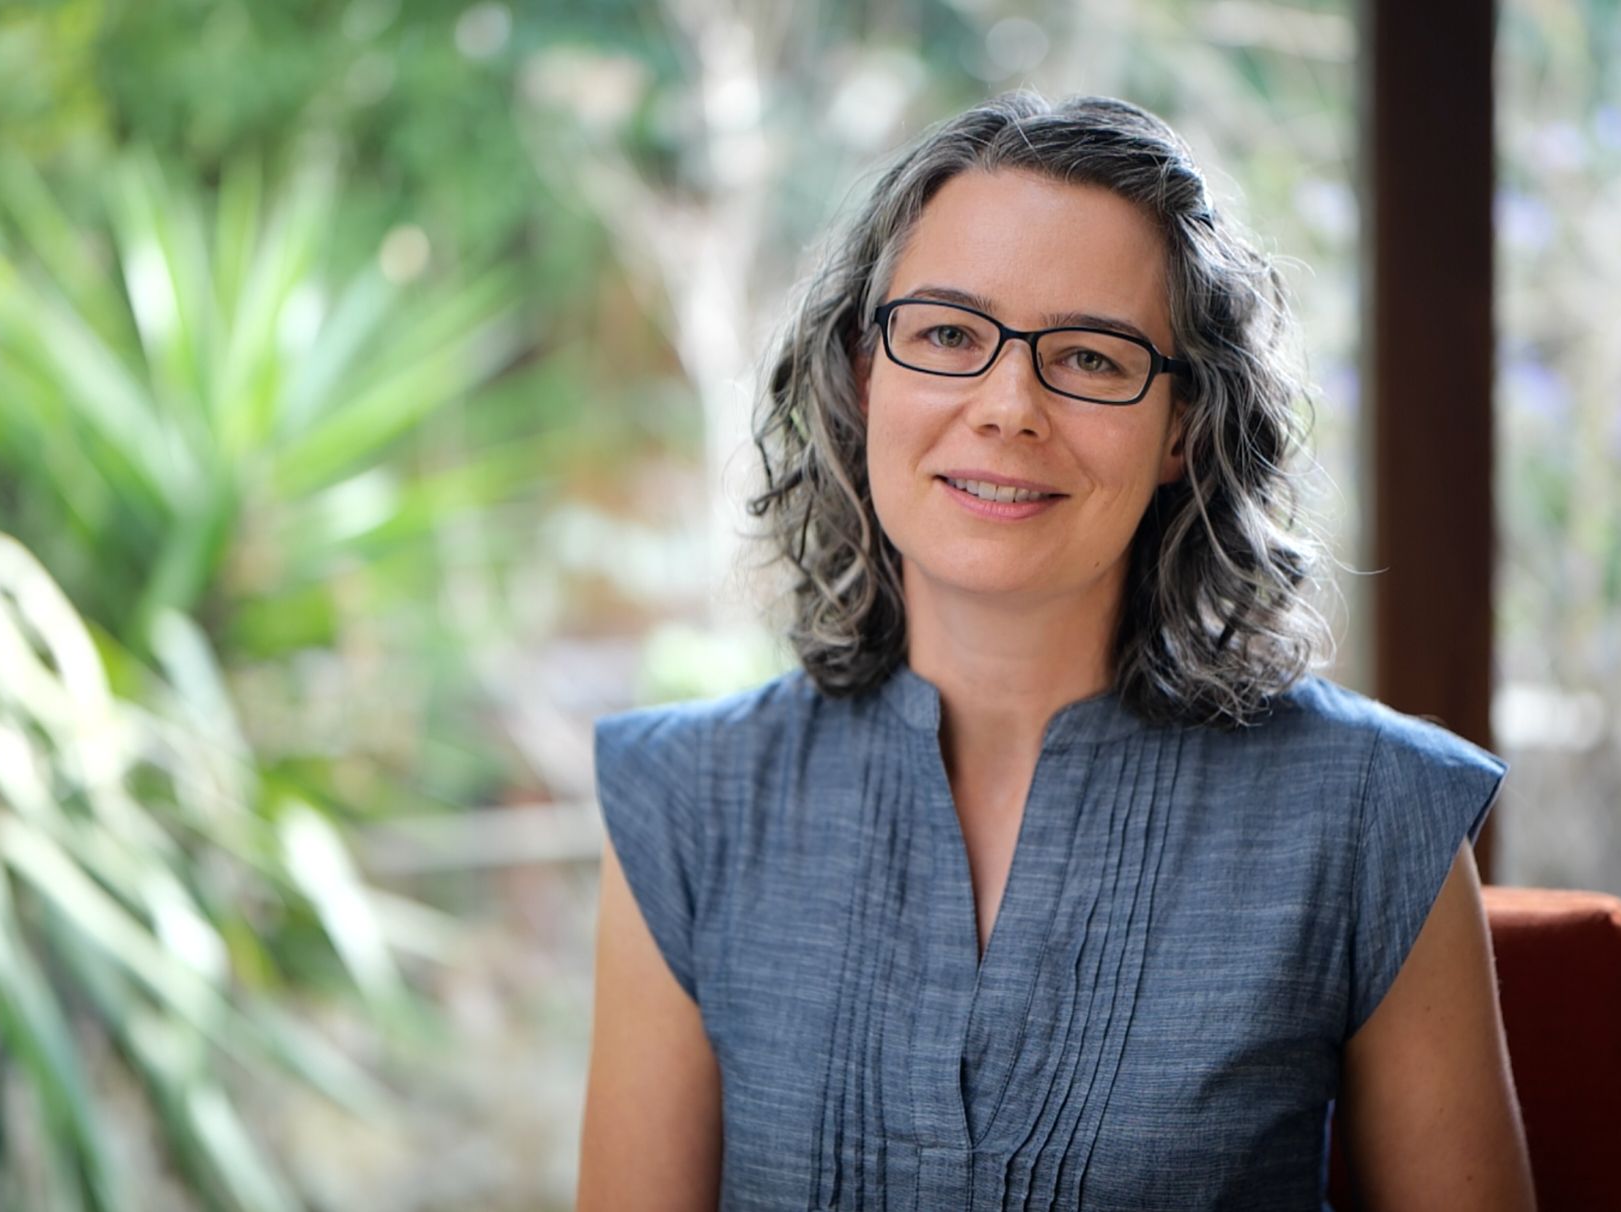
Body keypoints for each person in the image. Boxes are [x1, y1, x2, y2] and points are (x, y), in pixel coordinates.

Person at [577, 92, 1535, 1211]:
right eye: (945, 334)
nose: (1008, 405)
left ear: (1184, 426)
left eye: (1090, 356)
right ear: (860, 371)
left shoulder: (1375, 816)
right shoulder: (686, 807)